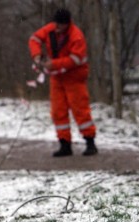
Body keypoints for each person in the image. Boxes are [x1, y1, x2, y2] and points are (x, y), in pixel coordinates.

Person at [29, 8, 98, 157]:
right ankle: (64, 144)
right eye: (56, 24)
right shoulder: (50, 29)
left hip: (75, 78)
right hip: (57, 78)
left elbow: (76, 59)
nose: (58, 28)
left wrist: (54, 64)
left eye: (61, 25)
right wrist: (37, 56)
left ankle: (90, 143)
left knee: (80, 110)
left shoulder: (76, 36)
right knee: (58, 111)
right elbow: (34, 39)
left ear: (67, 24)